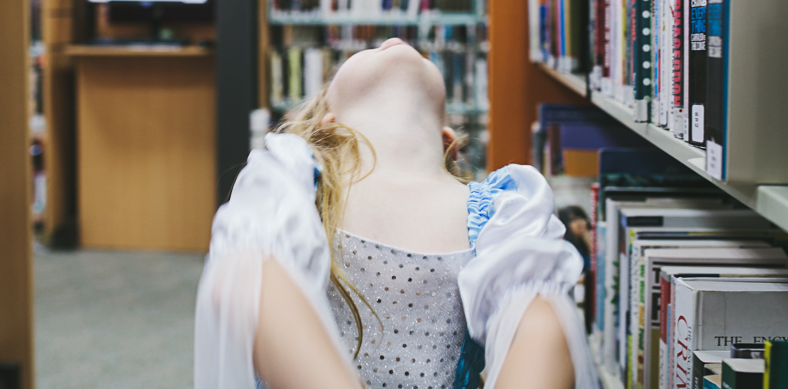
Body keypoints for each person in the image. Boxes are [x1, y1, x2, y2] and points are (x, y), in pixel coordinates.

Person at [195, 38, 598, 389]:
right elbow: (246, 280)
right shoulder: (292, 179)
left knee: (544, 316)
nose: (394, 42)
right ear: (328, 124)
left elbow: (545, 331)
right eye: (366, 52)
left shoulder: (503, 214)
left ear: (448, 142)